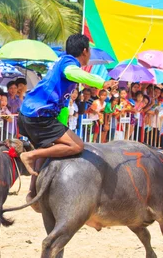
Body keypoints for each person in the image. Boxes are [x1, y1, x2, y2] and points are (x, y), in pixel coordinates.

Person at [17, 34, 117, 179]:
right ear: (84, 51)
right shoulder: (68, 64)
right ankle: (30, 155)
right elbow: (72, 72)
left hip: (30, 113)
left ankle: (32, 192)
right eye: (89, 50)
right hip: (38, 116)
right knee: (76, 146)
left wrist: (62, 128)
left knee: (46, 150)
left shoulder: (62, 61)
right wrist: (103, 83)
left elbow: (62, 107)